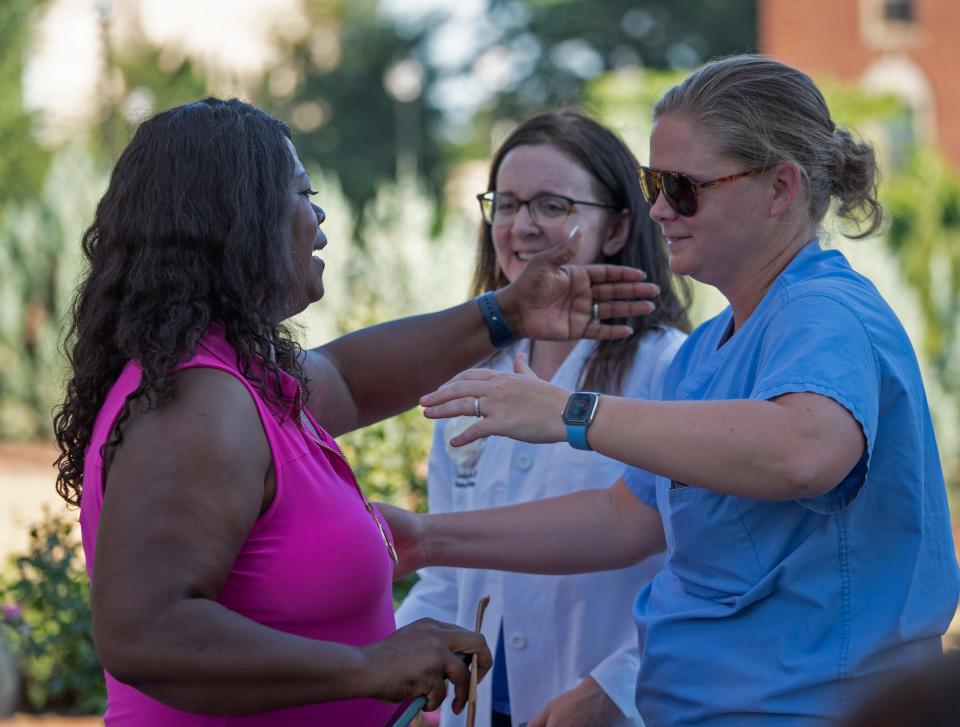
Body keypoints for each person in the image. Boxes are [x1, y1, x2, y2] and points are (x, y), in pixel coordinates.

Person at [381, 56, 960, 726]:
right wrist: (427, 537)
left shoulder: (824, 310)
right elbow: (626, 519)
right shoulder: (710, 350)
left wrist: (570, 412)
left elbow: (803, 449)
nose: (658, 209)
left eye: (682, 187)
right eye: (655, 184)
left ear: (780, 187)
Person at [52, 97, 660, 726]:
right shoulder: (196, 403)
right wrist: (370, 666)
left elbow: (350, 375)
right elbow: (147, 635)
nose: (318, 217)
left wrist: (507, 312)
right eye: (301, 193)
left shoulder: (236, 378)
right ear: (237, 218)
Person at [395, 111, 688, 727]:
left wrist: (614, 687)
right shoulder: (472, 372)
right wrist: (399, 674)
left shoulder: (671, 368)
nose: (522, 226)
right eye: (506, 204)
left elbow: (701, 567)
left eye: (552, 205)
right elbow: (450, 576)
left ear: (618, 229)